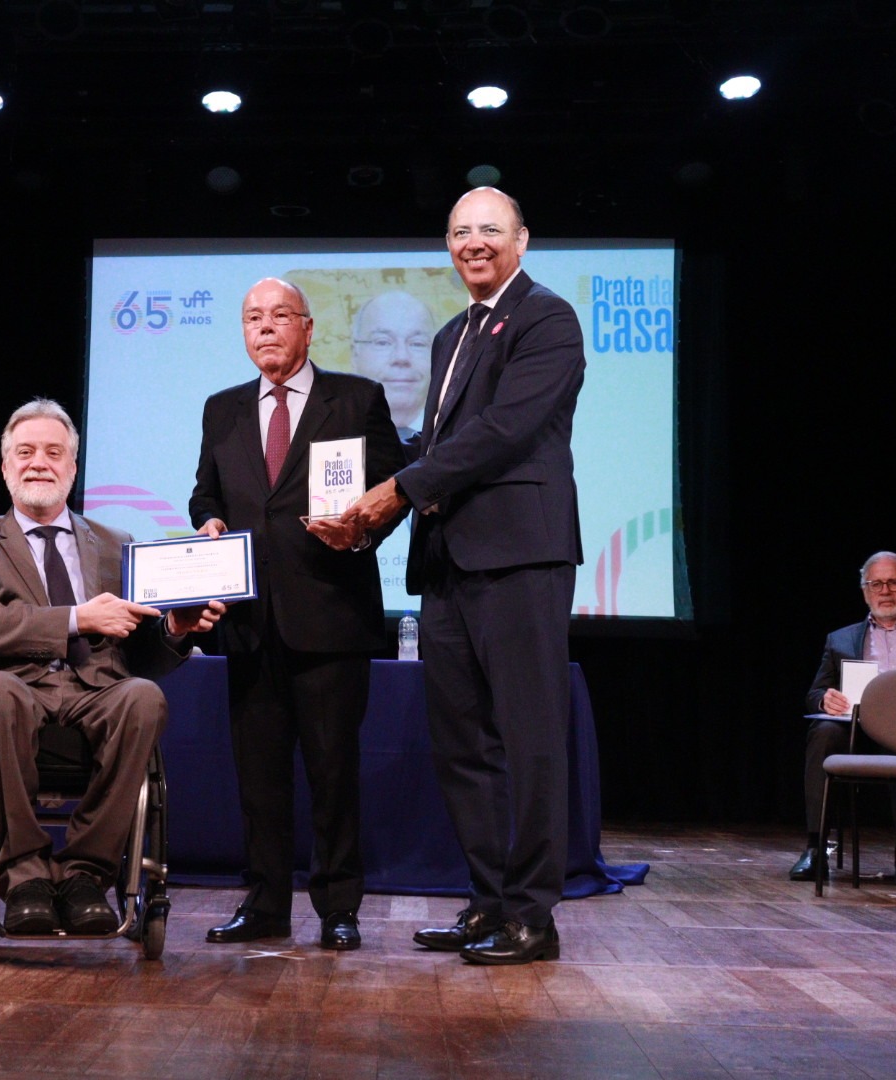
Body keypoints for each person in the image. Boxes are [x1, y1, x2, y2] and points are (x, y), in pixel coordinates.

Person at [341, 187, 586, 966]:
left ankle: (533, 917)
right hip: (446, 564)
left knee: (531, 739)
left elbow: (504, 432)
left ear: (521, 239)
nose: (472, 243)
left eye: (488, 230)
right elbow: (433, 445)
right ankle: (488, 902)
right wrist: (358, 497)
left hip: (520, 555)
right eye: (458, 232)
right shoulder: (451, 336)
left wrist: (399, 491)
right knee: (463, 746)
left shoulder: (547, 318)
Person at [0, 400, 224, 935]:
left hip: (95, 689)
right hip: (11, 688)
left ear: (72, 467)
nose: (39, 463)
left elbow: (140, 655)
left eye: (54, 453)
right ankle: (23, 873)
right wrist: (76, 618)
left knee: (142, 696)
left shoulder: (118, 544)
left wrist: (177, 629)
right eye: (25, 453)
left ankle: (85, 874)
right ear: (5, 467)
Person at [189, 278, 405, 951]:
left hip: (331, 617)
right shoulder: (221, 409)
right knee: (259, 778)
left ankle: (339, 908)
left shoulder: (356, 398)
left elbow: (394, 486)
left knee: (333, 772)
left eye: (280, 316)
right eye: (252, 317)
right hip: (251, 623)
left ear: (308, 328)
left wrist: (361, 530)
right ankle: (265, 906)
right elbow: (204, 493)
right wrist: (208, 522)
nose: (266, 328)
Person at [789, 551, 896, 886]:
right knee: (823, 732)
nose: (886, 591)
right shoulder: (840, 639)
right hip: (855, 727)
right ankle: (816, 847)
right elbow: (814, 692)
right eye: (877, 584)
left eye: (894, 582)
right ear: (865, 591)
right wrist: (825, 698)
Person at [349, 290, 436, 439]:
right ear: (355, 354)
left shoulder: (459, 432)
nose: (401, 357)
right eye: (382, 342)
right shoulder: (330, 431)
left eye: (417, 343)